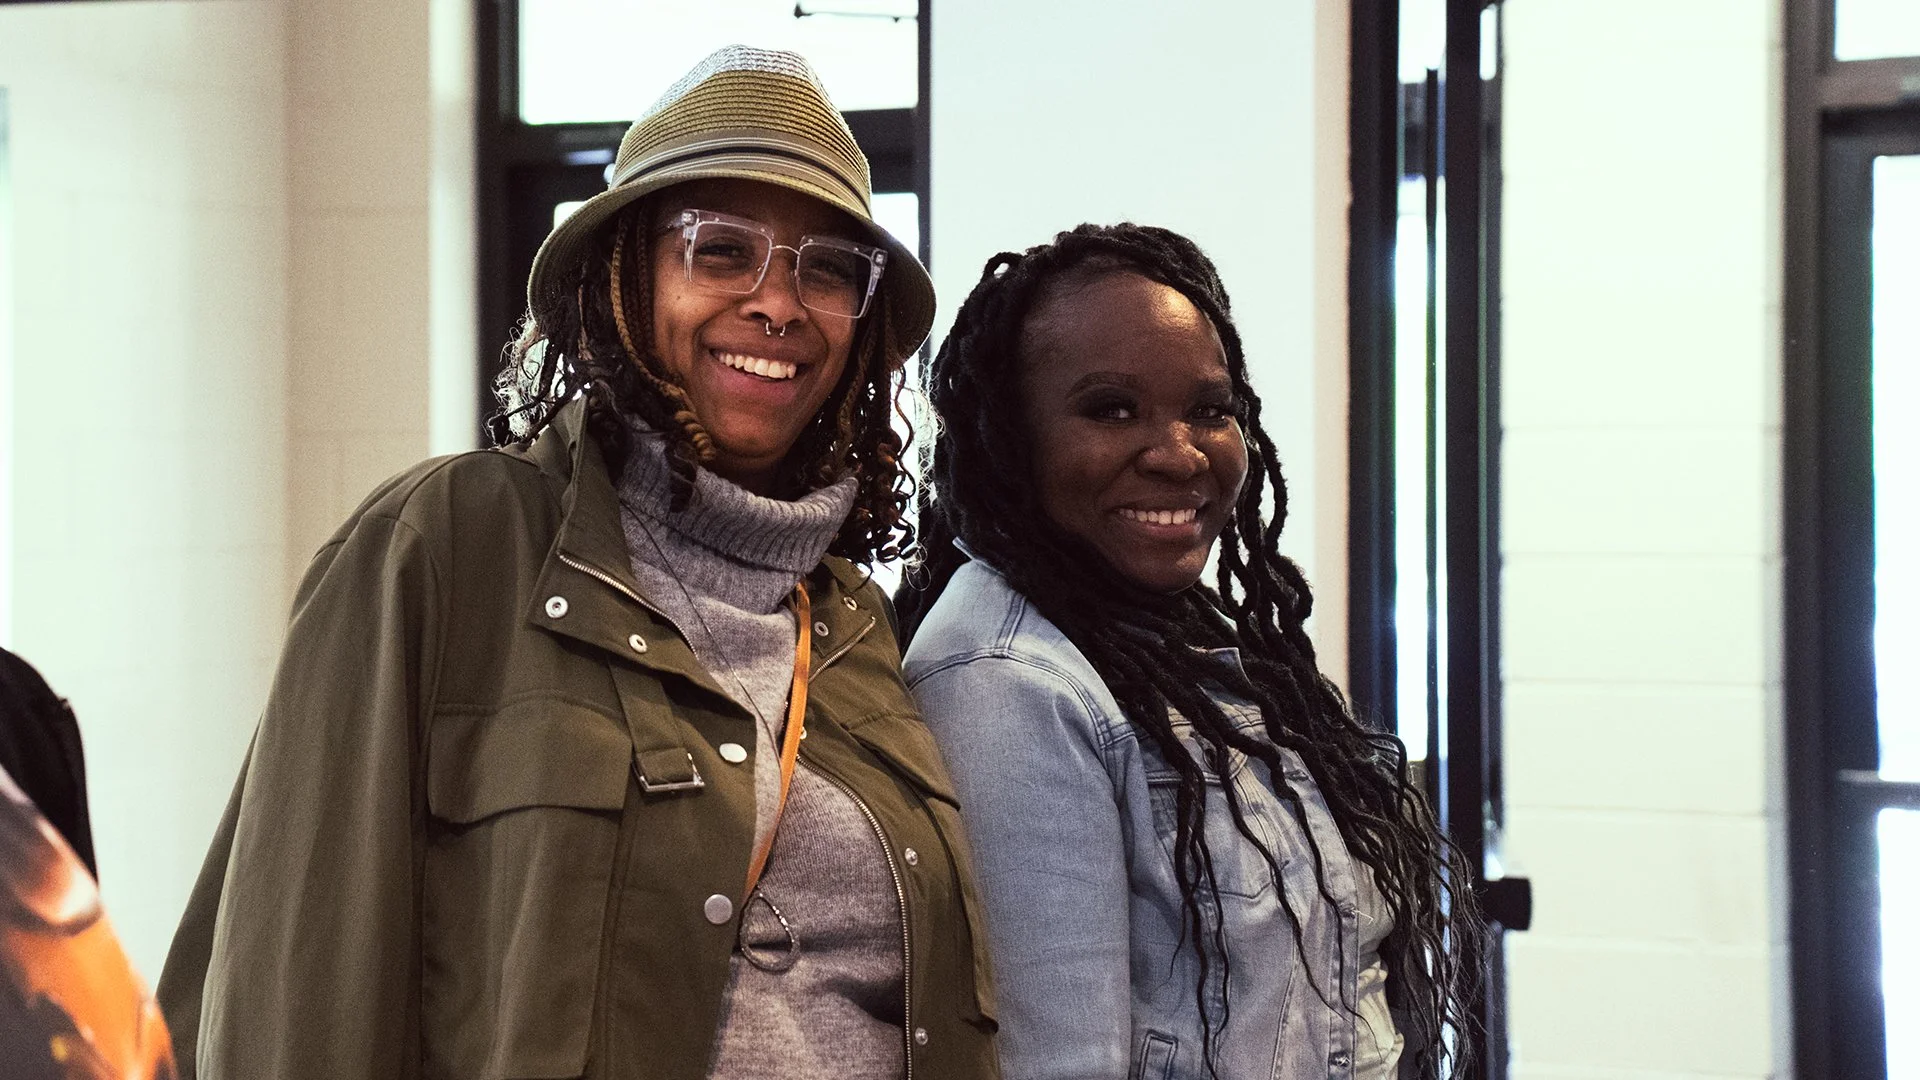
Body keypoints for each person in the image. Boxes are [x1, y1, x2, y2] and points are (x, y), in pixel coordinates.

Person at [158, 46, 997, 1080]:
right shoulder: (447, 546)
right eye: (720, 251)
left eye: (827, 268)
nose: (780, 304)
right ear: (622, 282)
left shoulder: (861, 625)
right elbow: (297, 989)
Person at [897, 224, 1478, 1080]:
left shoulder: (1186, 645)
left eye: (1210, 411)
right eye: (1111, 409)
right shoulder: (1008, 685)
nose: (1178, 453)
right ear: (1010, 439)